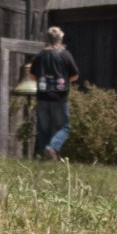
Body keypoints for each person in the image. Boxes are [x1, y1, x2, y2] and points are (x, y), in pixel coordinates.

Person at [30, 26, 81, 161]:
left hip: (42, 97)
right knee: (64, 127)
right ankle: (53, 148)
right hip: (59, 97)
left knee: (43, 129)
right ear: (60, 38)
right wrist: (63, 80)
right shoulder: (65, 54)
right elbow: (75, 75)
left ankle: (45, 158)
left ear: (46, 39)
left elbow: (32, 77)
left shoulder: (40, 55)